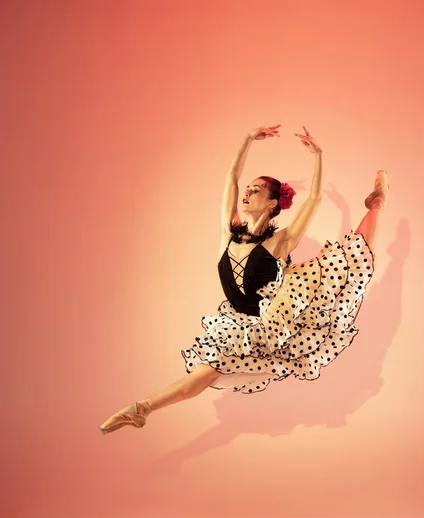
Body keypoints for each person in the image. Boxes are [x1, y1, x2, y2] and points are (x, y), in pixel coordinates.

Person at [99, 124, 389, 434]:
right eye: (248, 189)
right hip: (239, 324)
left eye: (256, 190)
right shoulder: (229, 231)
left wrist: (318, 156)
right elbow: (231, 180)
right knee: (207, 371)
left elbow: (313, 199)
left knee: (351, 257)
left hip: (276, 319)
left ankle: (377, 203)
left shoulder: (280, 241)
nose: (247, 193)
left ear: (272, 203)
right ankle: (141, 409)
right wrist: (247, 140)